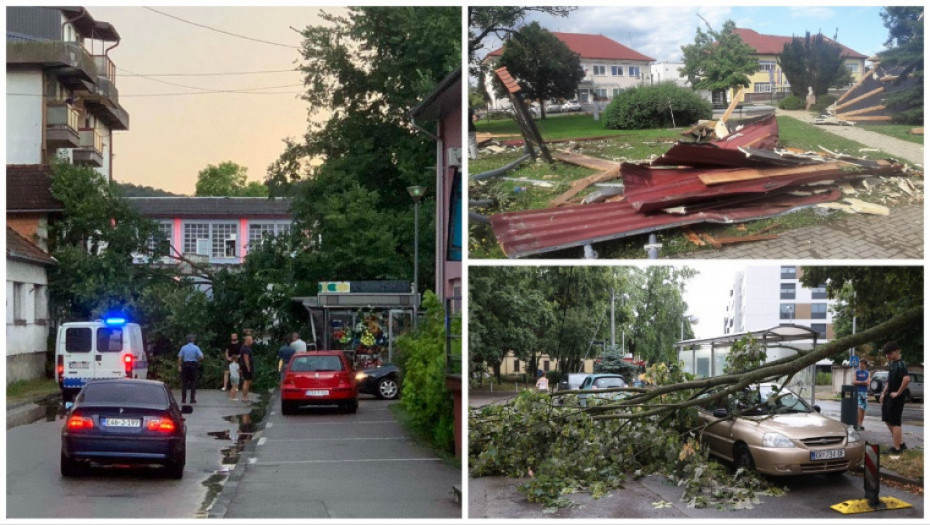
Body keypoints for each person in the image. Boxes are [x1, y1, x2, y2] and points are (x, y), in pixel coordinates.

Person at [879, 341, 911, 453]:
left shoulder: (901, 364)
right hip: (889, 396)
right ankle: (900, 443)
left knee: (895, 421)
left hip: (897, 397)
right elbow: (889, 381)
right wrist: (883, 393)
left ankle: (897, 448)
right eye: (886, 354)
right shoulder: (892, 363)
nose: (887, 355)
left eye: (889, 353)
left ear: (897, 351)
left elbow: (906, 379)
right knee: (887, 418)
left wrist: (898, 393)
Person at [177, 333, 204, 404]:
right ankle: (192, 399)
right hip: (193, 365)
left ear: (187, 340)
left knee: (184, 383)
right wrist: (197, 359)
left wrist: (179, 366)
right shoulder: (196, 348)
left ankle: (183, 399)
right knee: (193, 382)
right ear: (193, 340)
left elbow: (180, 357)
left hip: (185, 365)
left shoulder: (183, 347)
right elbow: (201, 357)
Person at [851, 359, 870, 431]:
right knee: (859, 408)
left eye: (862, 364)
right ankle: (857, 424)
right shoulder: (856, 372)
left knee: (863, 409)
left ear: (865, 365)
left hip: (864, 392)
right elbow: (854, 382)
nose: (860, 365)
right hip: (858, 392)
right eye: (860, 364)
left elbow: (868, 383)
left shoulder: (867, 373)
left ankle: (860, 424)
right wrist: (863, 382)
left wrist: (860, 382)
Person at [239, 334, 254, 403]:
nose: (252, 341)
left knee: (249, 381)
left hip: (248, 366)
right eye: (251, 340)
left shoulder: (247, 347)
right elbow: (246, 358)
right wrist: (248, 367)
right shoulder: (245, 348)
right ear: (247, 340)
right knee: (246, 381)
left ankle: (246, 396)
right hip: (246, 367)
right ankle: (244, 397)